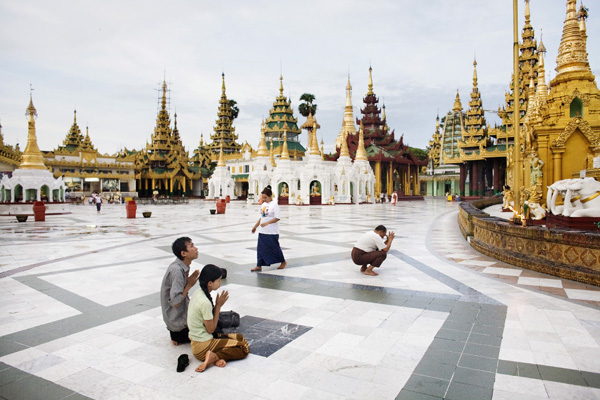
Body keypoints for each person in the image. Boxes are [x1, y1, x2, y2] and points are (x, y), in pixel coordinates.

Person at [188, 264, 249, 372]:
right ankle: (214, 356)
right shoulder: (205, 302)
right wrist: (218, 306)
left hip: (196, 342)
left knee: (238, 337)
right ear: (210, 283)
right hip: (203, 347)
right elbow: (210, 329)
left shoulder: (198, 293)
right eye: (219, 280)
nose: (220, 283)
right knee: (243, 347)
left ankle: (214, 357)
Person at [160, 237, 200, 346]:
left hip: (178, 322)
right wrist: (189, 285)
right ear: (183, 253)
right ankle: (178, 338)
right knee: (212, 328)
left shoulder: (181, 267)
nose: (196, 248)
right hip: (179, 327)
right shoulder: (177, 271)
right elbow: (176, 302)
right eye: (192, 246)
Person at [251, 187, 286, 271]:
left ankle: (283, 261)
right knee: (260, 248)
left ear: (270, 196)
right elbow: (262, 217)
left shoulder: (274, 205)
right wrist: (255, 226)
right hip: (262, 231)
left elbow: (277, 218)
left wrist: (267, 223)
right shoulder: (263, 205)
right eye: (262, 197)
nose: (263, 199)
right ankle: (259, 265)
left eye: (265, 197)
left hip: (272, 232)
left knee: (274, 248)